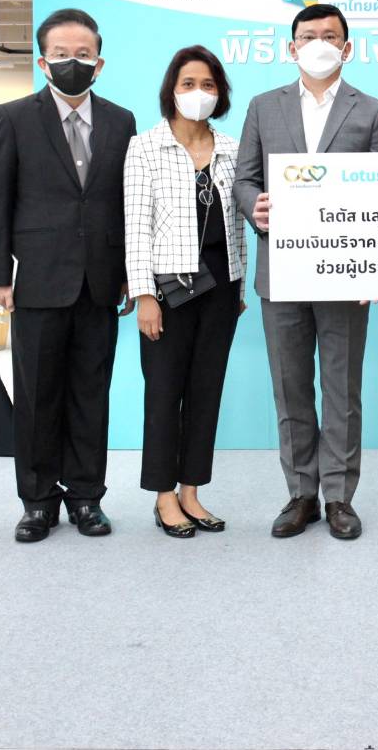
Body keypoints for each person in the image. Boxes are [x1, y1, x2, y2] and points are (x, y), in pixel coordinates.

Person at [235, 3, 378, 541]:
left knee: (342, 388)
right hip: (281, 270)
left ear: (347, 48)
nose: (319, 44)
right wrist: (255, 206)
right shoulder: (263, 106)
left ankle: (339, 497)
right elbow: (244, 179)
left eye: (330, 36)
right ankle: (301, 493)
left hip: (347, 273)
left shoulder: (371, 111)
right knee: (290, 387)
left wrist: (376, 267)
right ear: (291, 47)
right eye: (308, 36)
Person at [0, 8, 137, 543]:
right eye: (62, 54)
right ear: (43, 61)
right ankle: (38, 501)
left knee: (91, 394)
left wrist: (129, 273)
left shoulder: (121, 121)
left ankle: (87, 497)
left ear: (100, 63)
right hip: (38, 280)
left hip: (101, 280)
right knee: (37, 397)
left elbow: (125, 204)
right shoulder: (14, 118)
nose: (74, 62)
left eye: (84, 54)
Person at [125, 46, 246, 538]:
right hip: (167, 291)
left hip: (222, 287)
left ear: (221, 94)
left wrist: (239, 284)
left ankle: (191, 491)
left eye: (208, 85)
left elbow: (238, 223)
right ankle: (163, 496)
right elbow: (136, 227)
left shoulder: (233, 149)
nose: (199, 93)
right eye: (189, 84)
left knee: (206, 391)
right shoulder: (145, 147)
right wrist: (143, 295)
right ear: (171, 91)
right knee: (163, 391)